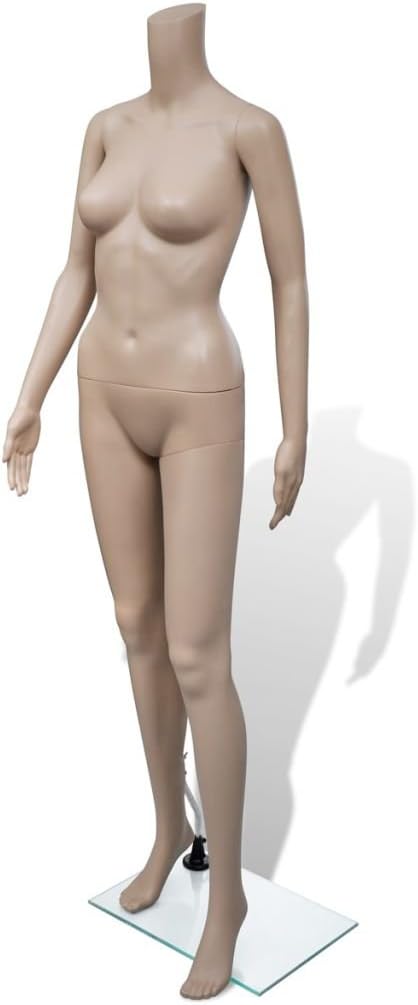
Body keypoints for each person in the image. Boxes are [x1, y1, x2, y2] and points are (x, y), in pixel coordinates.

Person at [2, 3, 309, 999]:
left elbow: (289, 280)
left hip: (197, 394)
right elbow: (76, 269)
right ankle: (169, 827)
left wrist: (295, 426)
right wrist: (29, 394)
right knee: (135, 624)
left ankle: (229, 901)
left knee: (197, 650)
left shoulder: (250, 128)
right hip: (102, 392)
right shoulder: (105, 125)